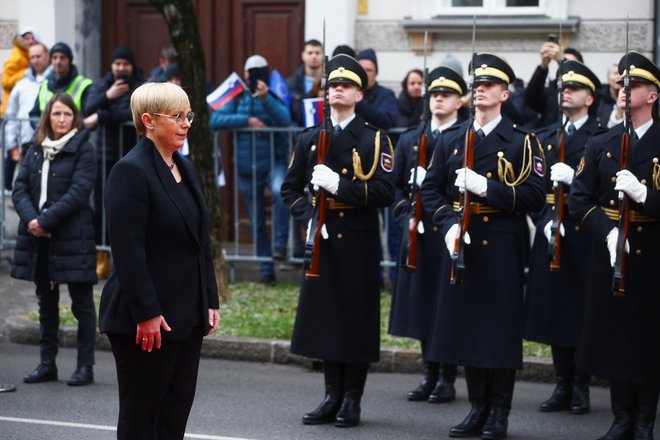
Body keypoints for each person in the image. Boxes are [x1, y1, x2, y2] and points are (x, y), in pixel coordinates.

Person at [421, 53, 546, 439]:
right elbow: (430, 189)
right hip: (464, 243)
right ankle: (477, 407)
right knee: (469, 327)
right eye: (476, 85)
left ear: (504, 94)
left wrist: (486, 189)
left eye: (488, 85)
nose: (479, 90)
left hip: (503, 247)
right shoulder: (454, 139)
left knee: (498, 330)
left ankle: (499, 411)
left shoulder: (522, 142)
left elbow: (534, 196)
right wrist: (446, 225)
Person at [99, 82, 220, 439]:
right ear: (149, 121)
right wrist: (147, 312)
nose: (186, 124)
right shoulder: (130, 171)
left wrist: (209, 299)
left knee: (175, 412)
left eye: (189, 116)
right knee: (142, 416)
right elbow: (128, 251)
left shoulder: (184, 167)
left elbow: (201, 241)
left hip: (186, 313)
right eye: (178, 116)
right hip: (147, 320)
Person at [281, 54, 394, 428]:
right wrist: (311, 217)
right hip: (324, 240)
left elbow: (383, 191)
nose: (337, 90)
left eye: (345, 85)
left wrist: (340, 186)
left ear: (359, 95)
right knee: (328, 318)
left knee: (354, 319)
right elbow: (290, 190)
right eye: (332, 85)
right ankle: (331, 395)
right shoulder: (312, 138)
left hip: (358, 241)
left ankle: (352, 399)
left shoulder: (375, 138)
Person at [568, 51, 660, 440]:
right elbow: (578, 198)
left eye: (634, 84)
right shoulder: (601, 142)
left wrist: (646, 195)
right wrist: (606, 231)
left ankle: (644, 421)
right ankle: (621, 417)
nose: (625, 90)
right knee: (616, 337)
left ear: (653, 95)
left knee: (647, 337)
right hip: (612, 249)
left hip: (653, 251)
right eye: (621, 84)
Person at [523, 60, 606, 416]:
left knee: (581, 309)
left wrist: (578, 180)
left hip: (584, 231)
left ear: (590, 98)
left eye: (573, 88)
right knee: (556, 307)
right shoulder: (547, 137)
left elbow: (610, 193)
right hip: (552, 230)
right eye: (562, 88)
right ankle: (561, 383)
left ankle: (581, 386)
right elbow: (533, 190)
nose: (565, 92)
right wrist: (542, 220)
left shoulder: (601, 138)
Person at [389, 65, 466, 404]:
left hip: (448, 230)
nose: (438, 99)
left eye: (445, 94)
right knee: (422, 304)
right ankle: (428, 373)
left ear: (459, 101)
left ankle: (448, 376)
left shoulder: (467, 138)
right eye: (434, 94)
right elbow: (392, 190)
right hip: (419, 232)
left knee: (446, 305)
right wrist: (407, 215)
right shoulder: (411, 139)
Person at [11, 92, 97, 387]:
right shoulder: (35, 149)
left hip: (73, 237)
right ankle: (47, 363)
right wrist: (32, 221)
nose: (61, 120)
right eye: (57, 114)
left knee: (81, 304)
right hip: (40, 238)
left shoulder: (84, 150)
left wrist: (45, 221)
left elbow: (79, 191)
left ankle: (85, 366)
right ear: (48, 116)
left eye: (67, 115)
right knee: (45, 303)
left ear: (75, 118)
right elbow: (20, 187)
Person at [210, 54, 291, 283]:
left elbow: (285, 120)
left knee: (280, 192)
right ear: (244, 74)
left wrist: (266, 98)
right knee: (256, 220)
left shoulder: (274, 92)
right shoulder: (236, 97)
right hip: (247, 166)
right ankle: (266, 271)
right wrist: (247, 120)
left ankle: (280, 245)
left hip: (273, 163)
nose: (253, 77)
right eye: (250, 73)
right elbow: (215, 120)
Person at [83, 45, 146, 279]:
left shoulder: (141, 84)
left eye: (125, 64)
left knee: (130, 206)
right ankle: (103, 255)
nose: (120, 68)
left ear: (132, 65)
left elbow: (133, 113)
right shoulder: (102, 85)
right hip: (105, 155)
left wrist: (101, 116)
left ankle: (128, 256)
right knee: (102, 205)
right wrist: (107, 97)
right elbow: (86, 108)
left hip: (132, 154)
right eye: (117, 63)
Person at [4, 43, 51, 192]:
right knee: (27, 188)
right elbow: (10, 116)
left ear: (47, 56)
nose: (35, 60)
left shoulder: (54, 81)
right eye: (32, 57)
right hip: (26, 145)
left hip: (50, 144)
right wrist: (11, 146)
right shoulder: (21, 85)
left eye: (38, 56)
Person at [524, 38, 583, 128]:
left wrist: (561, 60)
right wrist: (543, 66)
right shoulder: (553, 89)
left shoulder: (584, 91)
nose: (566, 91)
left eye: (569, 63)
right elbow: (531, 99)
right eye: (564, 62)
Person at [29, 42, 93, 121]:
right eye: (54, 58)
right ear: (50, 60)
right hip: (47, 133)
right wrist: (42, 128)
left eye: (62, 57)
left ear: (69, 60)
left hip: (75, 132)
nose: (58, 61)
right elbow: (34, 114)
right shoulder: (45, 83)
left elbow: (89, 116)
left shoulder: (83, 84)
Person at [355, 48, 398, 130]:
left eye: (369, 70)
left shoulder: (386, 95)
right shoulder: (349, 92)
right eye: (361, 70)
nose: (364, 74)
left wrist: (358, 102)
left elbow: (386, 121)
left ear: (376, 73)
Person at [2, 27, 40, 115]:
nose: (31, 41)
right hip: (11, 109)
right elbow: (5, 83)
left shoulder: (30, 54)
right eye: (27, 38)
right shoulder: (16, 57)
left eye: (33, 38)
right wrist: (24, 73)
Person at [287, 39, 323, 127]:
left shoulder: (331, 82)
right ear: (303, 55)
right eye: (310, 53)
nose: (314, 56)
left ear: (323, 55)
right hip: (299, 134)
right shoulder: (291, 83)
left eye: (317, 53)